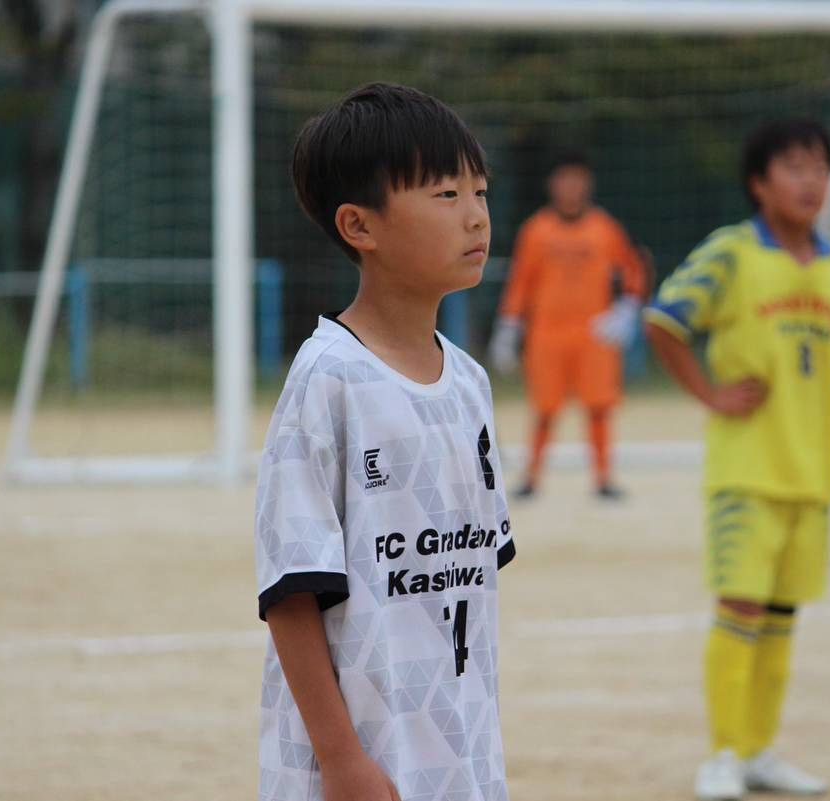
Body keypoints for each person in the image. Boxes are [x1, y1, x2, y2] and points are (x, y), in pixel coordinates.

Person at [254, 83, 516, 801]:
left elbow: (467, 582)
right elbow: (291, 595)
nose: (475, 216)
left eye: (480, 192)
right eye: (445, 194)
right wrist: (343, 762)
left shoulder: (470, 383)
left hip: (460, 755)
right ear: (359, 226)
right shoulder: (328, 380)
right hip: (359, 762)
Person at [644, 119, 830, 800]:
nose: (811, 181)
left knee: (781, 616)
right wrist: (709, 393)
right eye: (794, 167)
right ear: (759, 182)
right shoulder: (732, 253)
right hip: (745, 471)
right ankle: (721, 753)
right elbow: (664, 320)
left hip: (813, 472)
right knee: (740, 606)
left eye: (819, 167)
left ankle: (759, 750)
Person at [489, 153, 648, 499]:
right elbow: (521, 283)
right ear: (553, 185)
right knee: (544, 409)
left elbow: (633, 268)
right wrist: (508, 327)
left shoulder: (605, 228)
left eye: (578, 179)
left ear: (588, 184)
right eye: (565, 179)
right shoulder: (536, 230)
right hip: (546, 334)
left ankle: (604, 479)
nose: (571, 187)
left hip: (594, 334)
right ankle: (531, 479)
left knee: (599, 407)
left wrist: (626, 308)